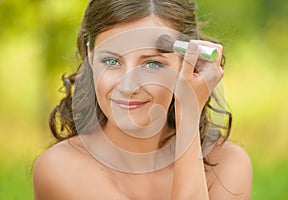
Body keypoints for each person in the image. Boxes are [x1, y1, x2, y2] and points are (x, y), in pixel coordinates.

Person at [33, 0, 252, 199]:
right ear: (91, 55)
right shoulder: (61, 168)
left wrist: (189, 112)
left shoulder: (228, 164)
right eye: (111, 61)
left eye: (152, 64)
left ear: (189, 63)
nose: (128, 87)